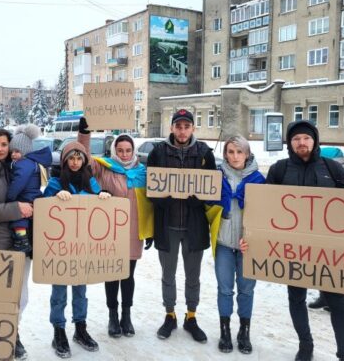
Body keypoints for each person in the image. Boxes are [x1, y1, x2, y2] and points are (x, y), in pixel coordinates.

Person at [265, 120, 344, 361]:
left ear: (314, 141)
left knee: (338, 303)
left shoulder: (332, 167)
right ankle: (305, 345)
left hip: (328, 249)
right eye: (296, 139)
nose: (301, 142)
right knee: (296, 299)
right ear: (290, 143)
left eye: (306, 138)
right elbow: (264, 206)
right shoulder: (279, 169)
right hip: (293, 250)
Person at [77, 117, 153, 338]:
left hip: (134, 232)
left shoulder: (144, 173)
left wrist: (151, 230)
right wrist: (85, 134)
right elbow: (82, 157)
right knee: (111, 274)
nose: (124, 154)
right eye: (120, 150)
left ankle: (126, 316)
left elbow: (151, 203)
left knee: (128, 275)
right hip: (110, 233)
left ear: (134, 151)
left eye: (128, 150)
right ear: (114, 151)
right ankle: (112, 316)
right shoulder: (104, 168)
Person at [146, 108, 217, 342]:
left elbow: (212, 189)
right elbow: (150, 187)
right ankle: (170, 315)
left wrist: (200, 199)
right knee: (168, 275)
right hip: (167, 225)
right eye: (179, 126)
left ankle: (191, 316)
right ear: (172, 128)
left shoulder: (205, 153)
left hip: (194, 226)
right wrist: (162, 199)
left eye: (187, 126)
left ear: (193, 128)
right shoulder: (158, 152)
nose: (182, 131)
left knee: (193, 276)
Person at [43, 140, 112, 359]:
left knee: (81, 292)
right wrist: (54, 197)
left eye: (78, 158)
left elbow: (99, 209)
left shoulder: (90, 181)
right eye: (71, 158)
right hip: (60, 249)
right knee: (59, 293)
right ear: (65, 161)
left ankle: (80, 328)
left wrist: (103, 196)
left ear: (84, 161)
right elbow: (44, 210)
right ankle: (59, 330)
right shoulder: (55, 182)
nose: (74, 162)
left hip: (82, 248)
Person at [0, 128, 34, 360]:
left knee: (21, 295)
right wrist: (17, 209)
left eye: (4, 145)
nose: (1, 149)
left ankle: (13, 332)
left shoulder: (18, 166)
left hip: (23, 240)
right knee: (0, 294)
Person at [213, 135, 265, 354]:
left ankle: (244, 331)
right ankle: (224, 330)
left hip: (248, 246)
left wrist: (253, 239)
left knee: (246, 290)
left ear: (247, 154)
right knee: (225, 290)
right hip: (224, 242)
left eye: (239, 152)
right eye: (231, 152)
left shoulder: (259, 179)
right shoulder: (216, 177)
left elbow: (266, 215)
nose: (235, 156)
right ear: (225, 154)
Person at [6, 123, 52, 254]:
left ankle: (22, 240)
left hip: (26, 196)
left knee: (19, 216)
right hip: (31, 195)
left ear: (25, 151)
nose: (13, 154)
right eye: (12, 151)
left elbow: (19, 181)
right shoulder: (28, 162)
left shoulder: (24, 164)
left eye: (17, 151)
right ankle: (24, 240)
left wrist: (10, 196)